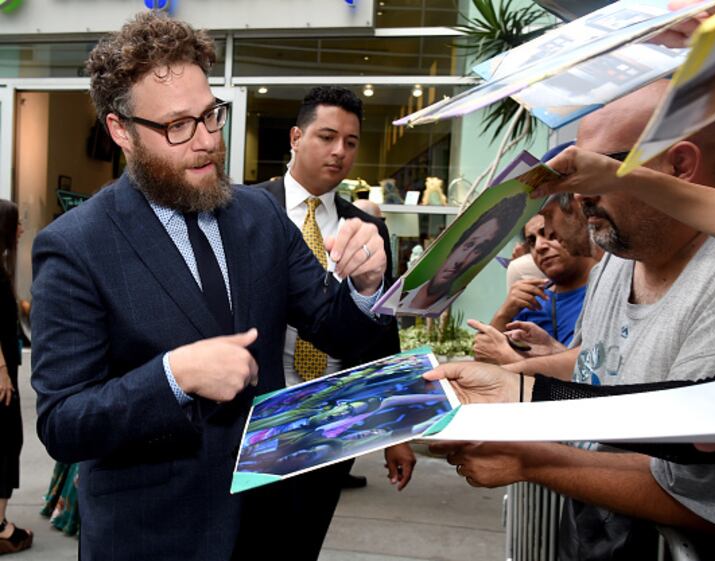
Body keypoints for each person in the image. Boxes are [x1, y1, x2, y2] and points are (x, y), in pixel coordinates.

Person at [30, 13, 392, 561]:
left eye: (210, 115)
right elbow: (64, 422)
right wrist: (172, 378)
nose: (205, 141)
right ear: (121, 130)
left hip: (268, 523)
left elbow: (342, 331)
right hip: (153, 536)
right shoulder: (76, 245)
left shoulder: (261, 215)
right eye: (178, 125)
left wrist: (366, 285)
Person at [426, 81, 715, 560]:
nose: (579, 195)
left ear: (679, 165)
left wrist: (531, 456)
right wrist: (510, 381)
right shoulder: (621, 252)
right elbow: (601, 360)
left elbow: (698, 459)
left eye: (599, 168)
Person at [252, 85, 415, 559]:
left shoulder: (367, 228)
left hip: (333, 416)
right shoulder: (246, 211)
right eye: (327, 137)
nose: (340, 151)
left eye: (351, 141)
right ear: (296, 137)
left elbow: (382, 328)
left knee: (303, 542)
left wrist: (397, 432)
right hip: (259, 412)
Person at [471, 212, 597, 364]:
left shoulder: (608, 292)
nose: (539, 246)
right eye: (531, 241)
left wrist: (515, 360)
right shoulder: (529, 300)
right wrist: (504, 313)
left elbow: (599, 370)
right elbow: (484, 361)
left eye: (550, 234)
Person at [401, 191, 528, 314]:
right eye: (468, 245)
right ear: (456, 244)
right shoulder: (405, 292)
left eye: (478, 250)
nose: (461, 260)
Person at [0, 200, 32, 555]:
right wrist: (3, 373)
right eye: (17, 223)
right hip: (2, 378)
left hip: (6, 371)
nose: (22, 229)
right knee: (7, 444)